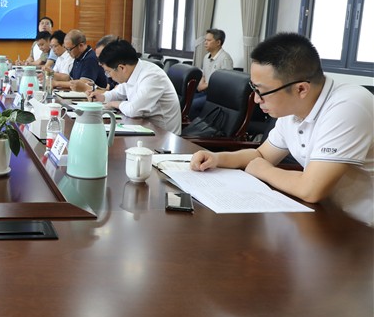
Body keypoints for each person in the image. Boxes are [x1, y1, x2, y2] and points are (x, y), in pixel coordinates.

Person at [190, 33, 373, 226]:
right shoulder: (292, 108)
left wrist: (265, 170)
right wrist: (217, 158)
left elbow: (311, 189)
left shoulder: (349, 105)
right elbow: (261, 155)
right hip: (324, 217)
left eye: (262, 91)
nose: (256, 99)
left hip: (362, 228)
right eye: (253, 88)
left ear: (301, 89)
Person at [88, 39, 181, 134]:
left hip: (163, 135)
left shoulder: (152, 76)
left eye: (108, 72)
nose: (109, 76)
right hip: (144, 127)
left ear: (121, 68)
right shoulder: (132, 71)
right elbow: (118, 93)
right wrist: (102, 97)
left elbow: (134, 110)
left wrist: (114, 104)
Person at [191, 28, 234, 117]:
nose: (205, 43)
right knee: (186, 101)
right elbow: (204, 75)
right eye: (205, 40)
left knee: (192, 105)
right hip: (205, 92)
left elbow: (226, 83)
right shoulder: (206, 57)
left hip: (217, 96)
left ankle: (197, 124)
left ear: (218, 42)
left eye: (209, 40)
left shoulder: (225, 58)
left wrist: (204, 85)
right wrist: (200, 85)